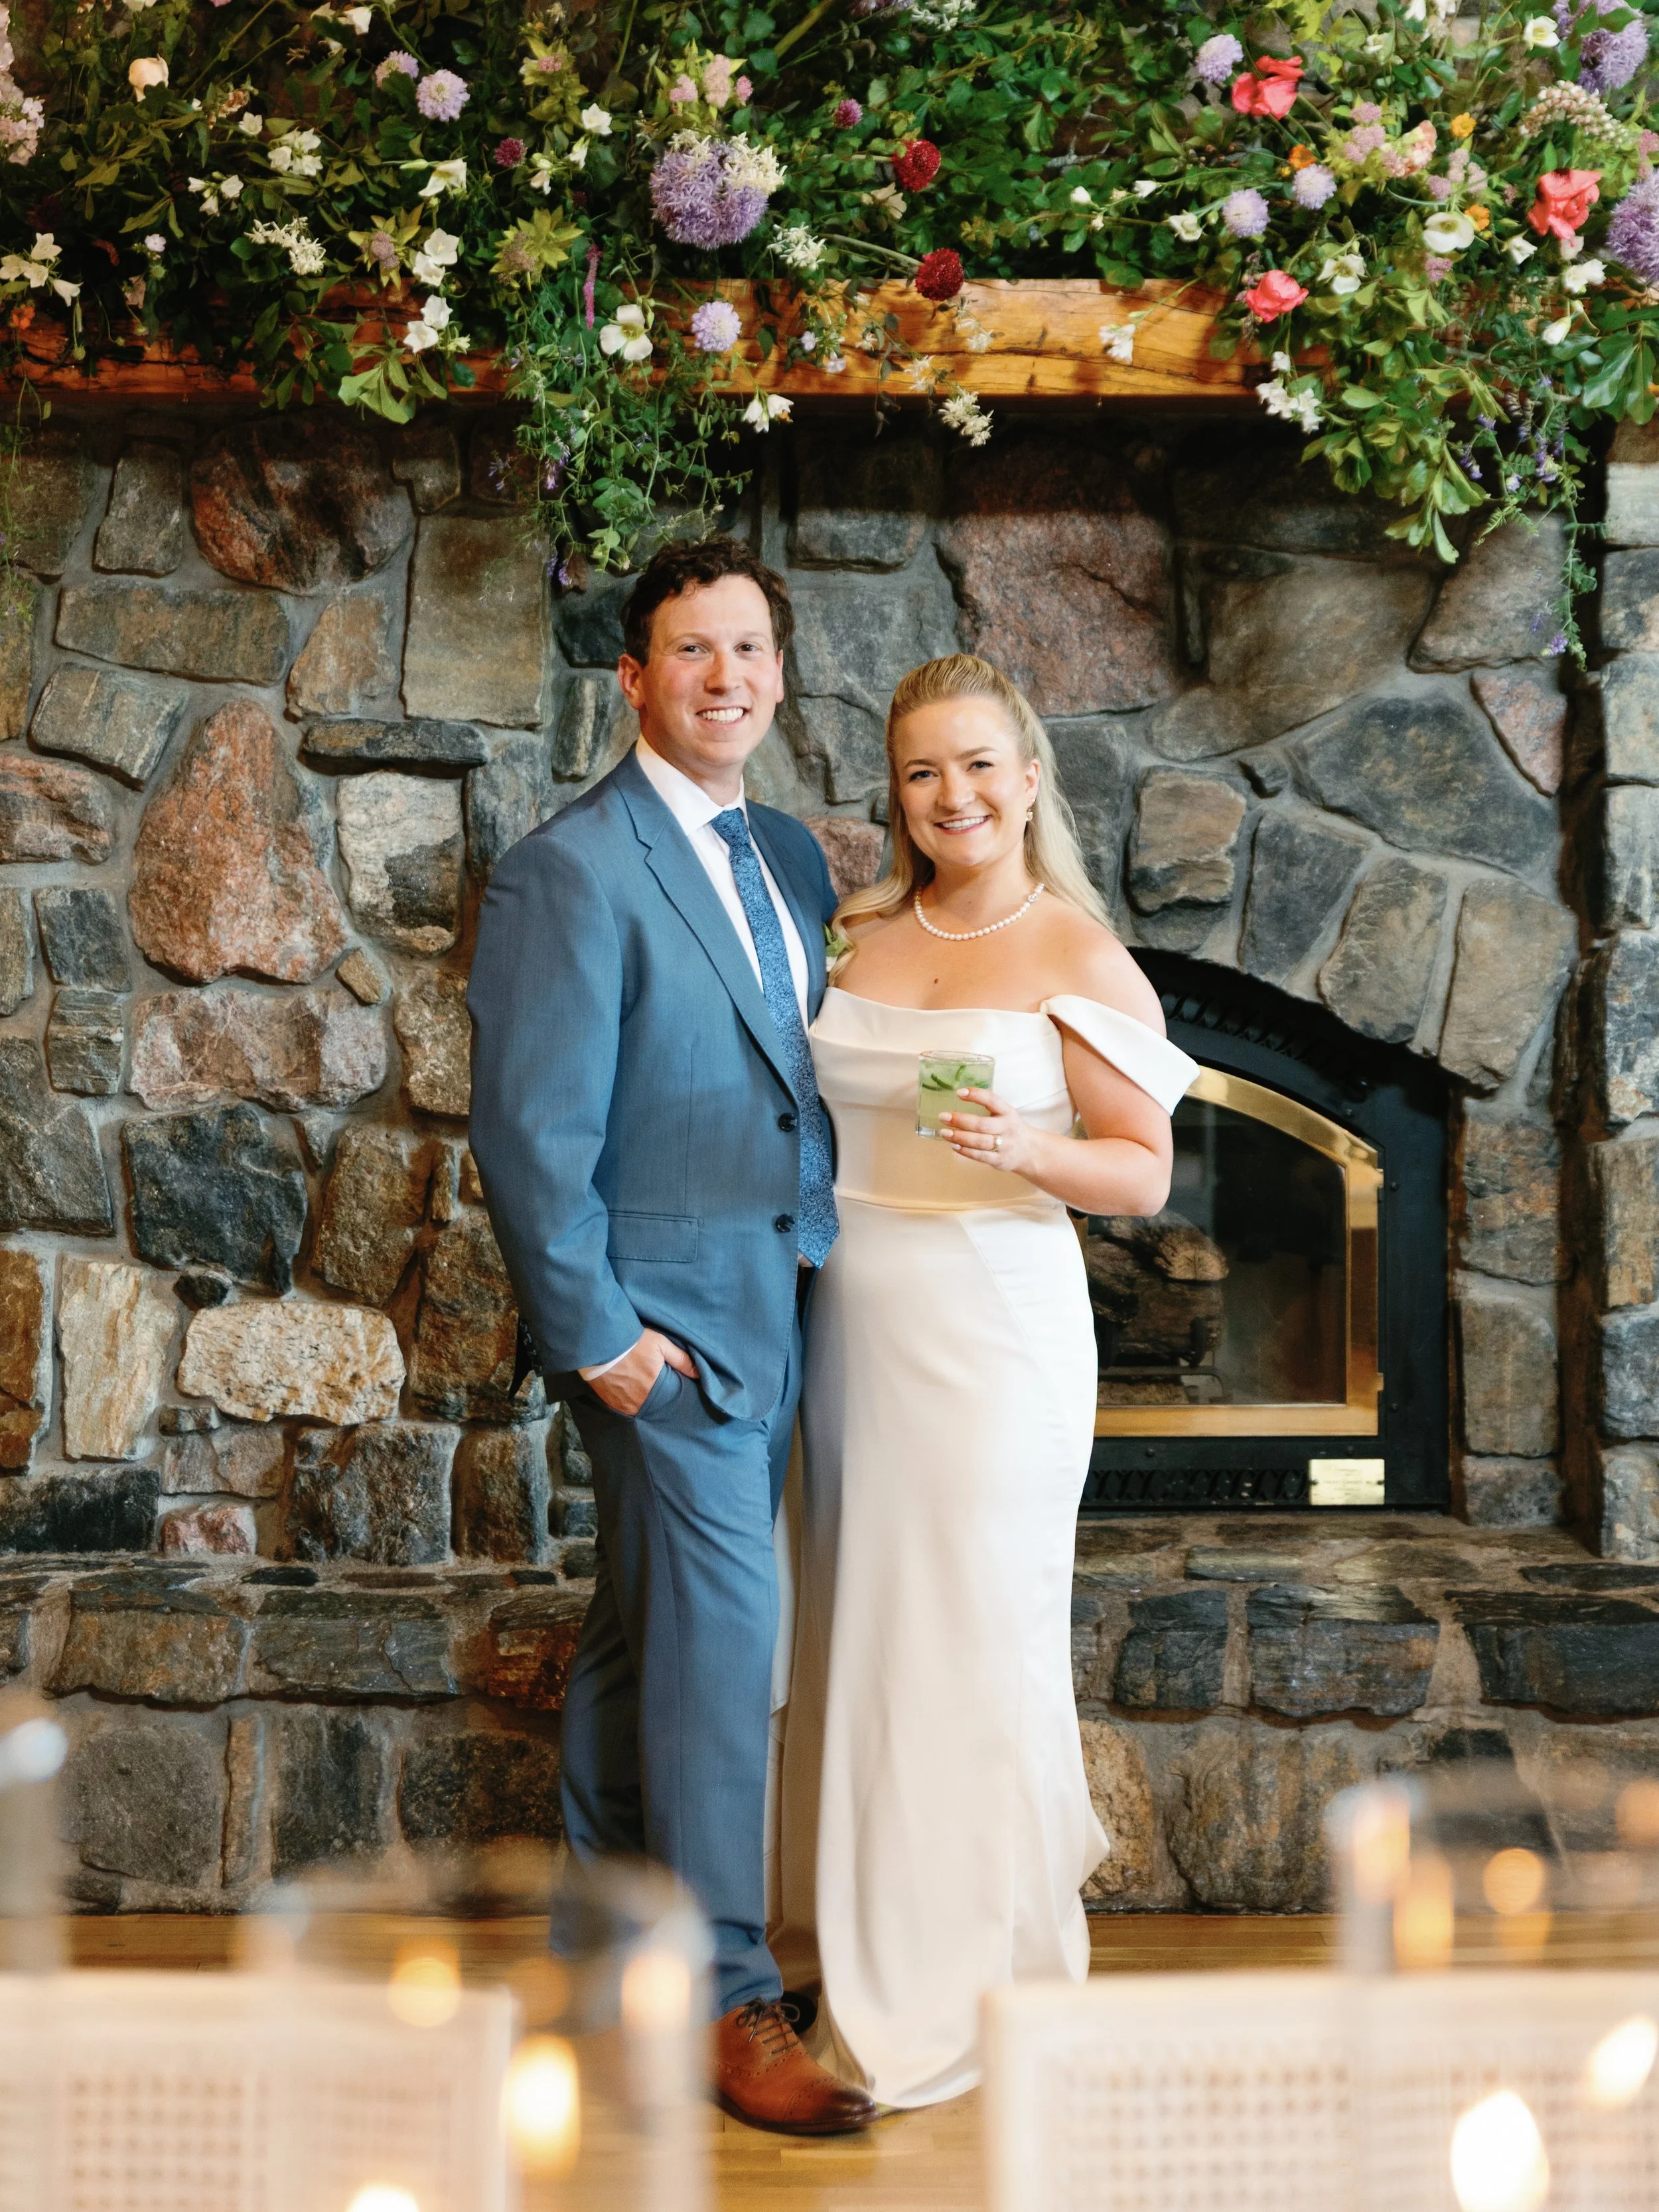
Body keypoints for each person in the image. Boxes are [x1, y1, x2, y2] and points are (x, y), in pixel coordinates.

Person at [467, 535, 878, 2136]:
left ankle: (605, 1956)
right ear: (633, 678)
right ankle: (725, 1996)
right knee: (719, 1653)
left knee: (644, 1639)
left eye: (749, 648)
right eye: (692, 650)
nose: (726, 677)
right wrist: (602, 1339)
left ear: (778, 672)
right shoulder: (568, 868)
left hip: (781, 1302)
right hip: (664, 1337)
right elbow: (529, 1132)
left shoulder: (787, 854)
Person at [772, 653, 1199, 2109]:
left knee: (962, 1633)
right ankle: (838, 1940)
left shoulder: (1077, 952)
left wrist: (1028, 1149)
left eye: (973, 765)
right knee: (854, 1625)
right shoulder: (856, 935)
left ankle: (956, 1980)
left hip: (994, 1330)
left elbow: (1143, 1172)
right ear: (896, 794)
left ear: (1024, 779)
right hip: (852, 1323)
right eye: (920, 771)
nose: (949, 794)